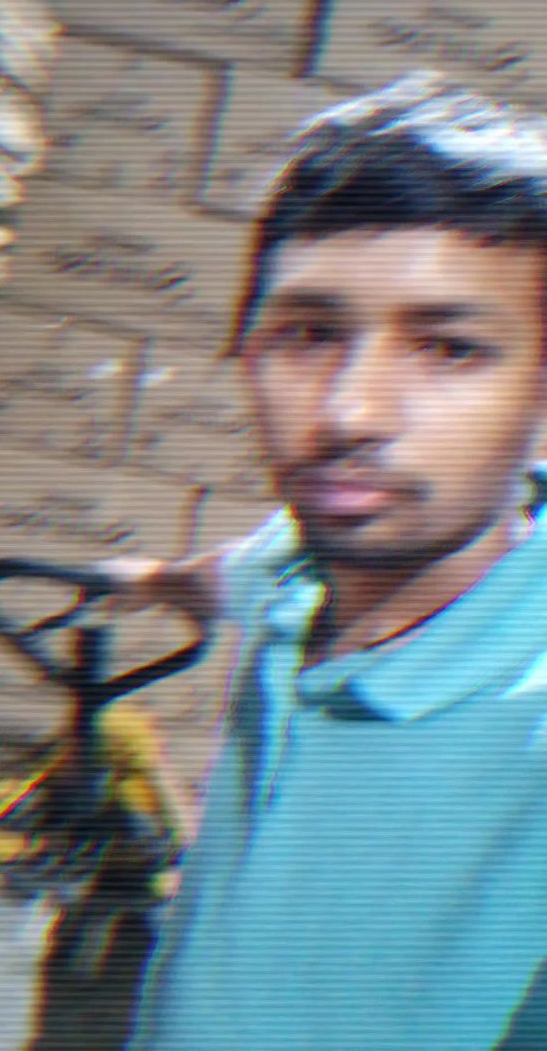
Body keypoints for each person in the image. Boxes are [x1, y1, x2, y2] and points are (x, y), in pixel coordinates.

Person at [101, 72, 547, 1049]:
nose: (348, 413)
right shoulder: (296, 565)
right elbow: (231, 574)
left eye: (448, 349)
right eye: (306, 335)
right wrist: (144, 582)